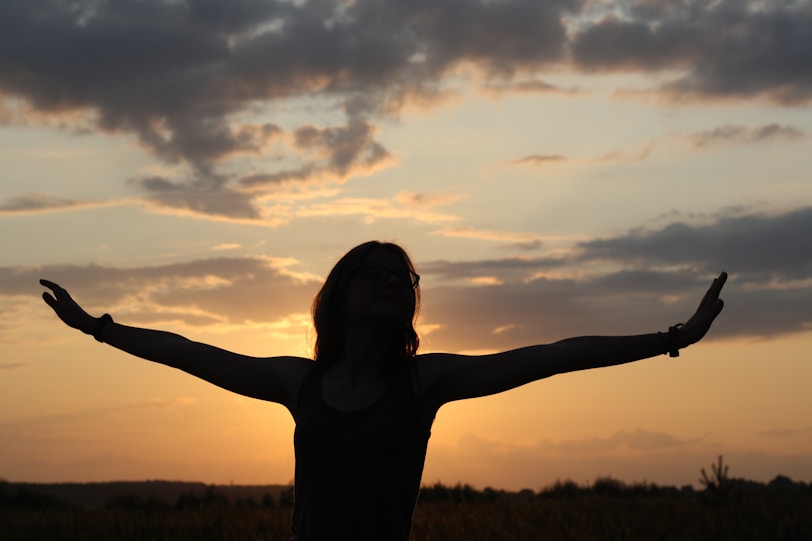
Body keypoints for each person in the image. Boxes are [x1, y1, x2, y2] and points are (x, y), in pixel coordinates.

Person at [40, 240, 726, 540]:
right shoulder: (299, 381)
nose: (399, 282)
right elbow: (190, 353)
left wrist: (674, 336)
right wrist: (95, 326)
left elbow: (552, 355)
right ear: (341, 294)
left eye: (407, 278)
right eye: (380, 273)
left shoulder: (425, 381)